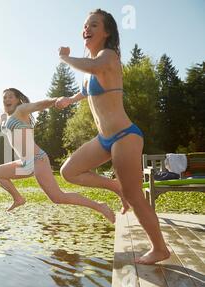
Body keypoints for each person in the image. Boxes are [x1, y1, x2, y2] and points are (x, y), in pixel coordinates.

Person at [56, 9, 170, 264]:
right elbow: (87, 90)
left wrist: (65, 58)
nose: (86, 29)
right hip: (103, 139)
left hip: (124, 136)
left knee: (135, 197)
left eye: (93, 25)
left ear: (107, 32)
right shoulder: (91, 67)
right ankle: (115, 186)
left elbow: (95, 67)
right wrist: (69, 99)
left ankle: (160, 248)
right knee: (69, 171)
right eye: (85, 25)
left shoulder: (108, 56)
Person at [0, 88, 115, 224]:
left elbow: (39, 105)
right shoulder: (4, 116)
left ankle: (100, 206)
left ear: (17, 100)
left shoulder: (21, 111)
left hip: (38, 160)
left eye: (10, 97)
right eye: (5, 97)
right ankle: (18, 199)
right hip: (25, 165)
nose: (7, 99)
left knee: (57, 197)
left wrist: (56, 100)